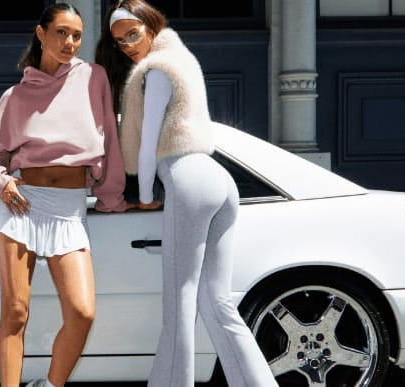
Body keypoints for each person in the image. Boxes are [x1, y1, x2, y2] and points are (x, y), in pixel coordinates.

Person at [97, 1, 274, 385]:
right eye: (119, 40)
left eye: (132, 34)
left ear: (149, 25)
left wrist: (144, 196)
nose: (127, 45)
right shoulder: (184, 60)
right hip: (217, 180)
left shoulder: (157, 70)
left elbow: (147, 146)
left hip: (187, 177)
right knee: (217, 303)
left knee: (179, 306)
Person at [0, 3, 129, 386]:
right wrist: (2, 181)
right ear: (41, 33)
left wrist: (112, 198)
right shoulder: (15, 97)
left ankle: (50, 384)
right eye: (61, 32)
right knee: (15, 312)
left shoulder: (93, 78)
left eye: (77, 35)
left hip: (69, 210)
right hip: (22, 206)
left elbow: (109, 141)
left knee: (81, 312)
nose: (70, 42)